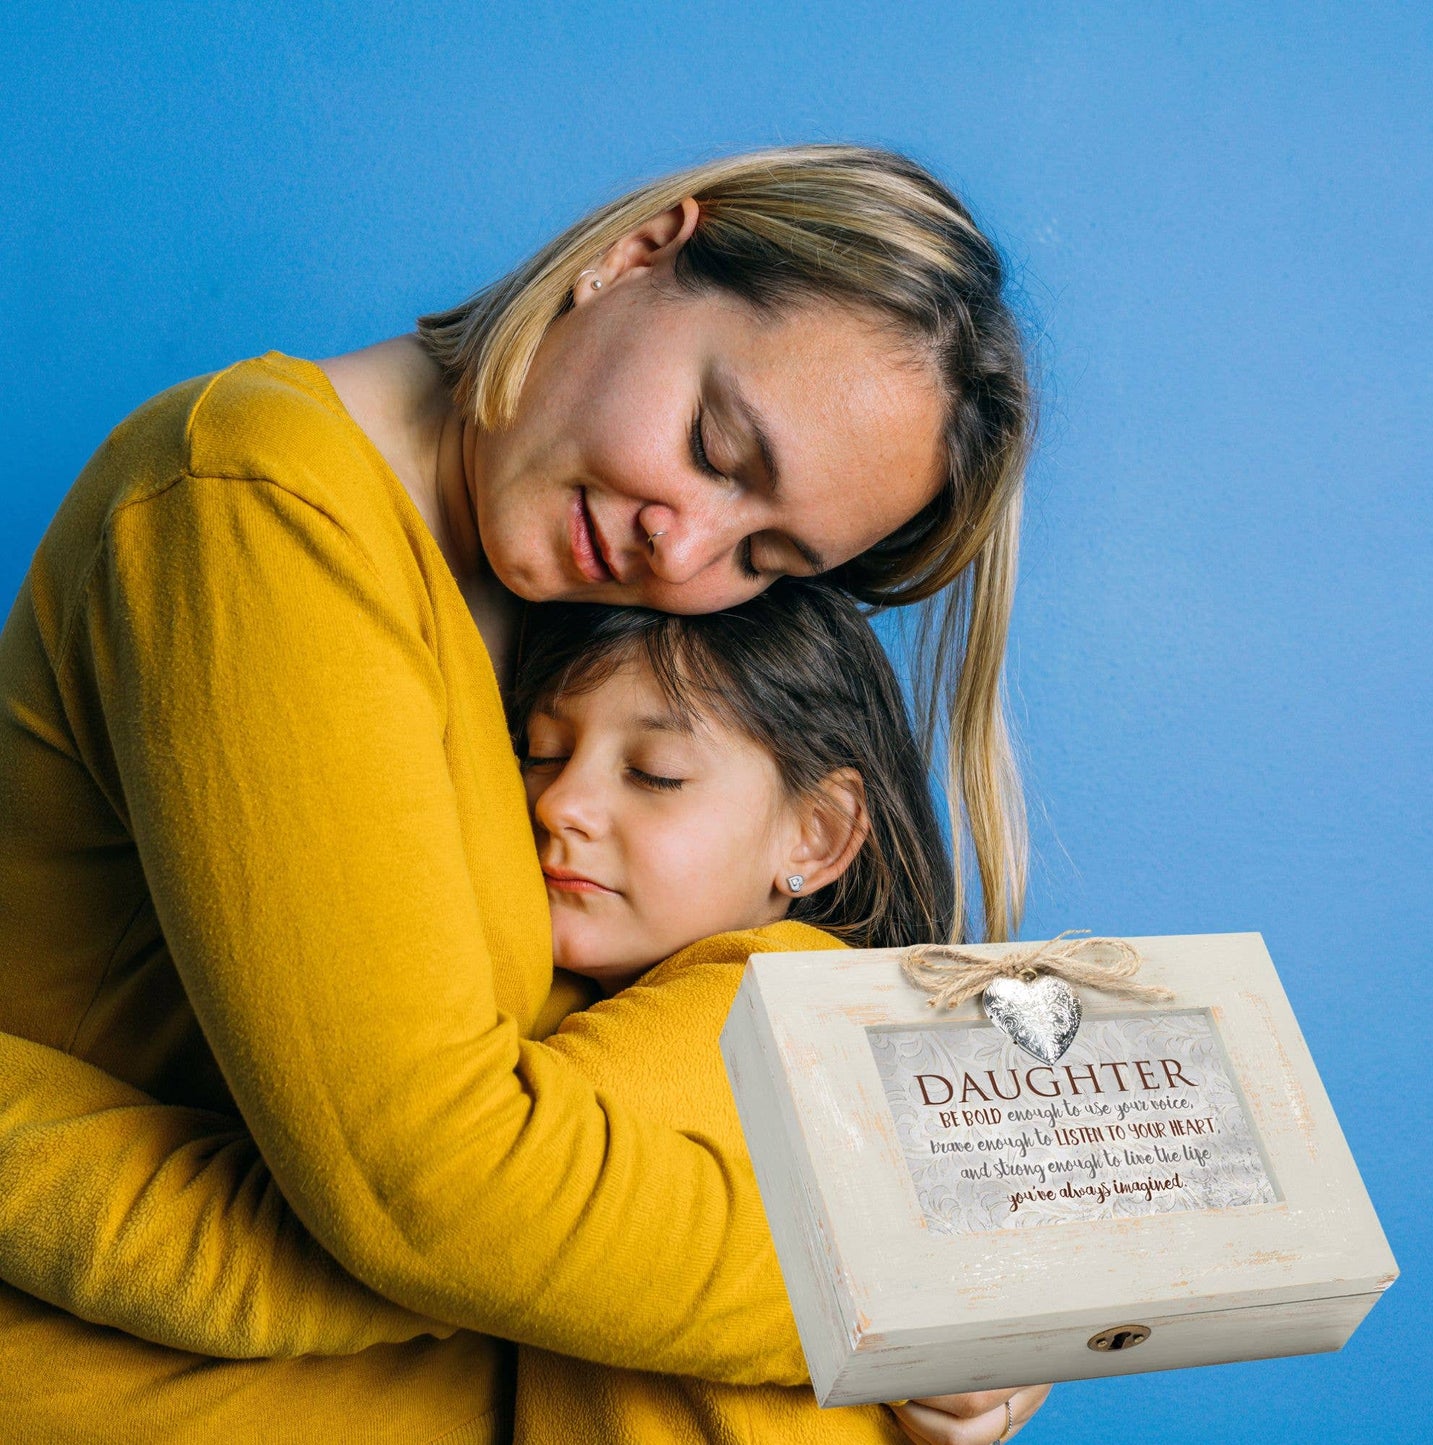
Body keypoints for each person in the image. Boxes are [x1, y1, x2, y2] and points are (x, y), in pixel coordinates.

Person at [0, 144, 1032, 1440]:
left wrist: (978, 1302)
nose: (689, 546)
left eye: (766, 555)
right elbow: (429, 1195)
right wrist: (915, 1290)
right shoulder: (263, 505)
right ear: (637, 253)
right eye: (716, 445)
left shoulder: (552, 604)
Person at [1, 582, 1053, 1444]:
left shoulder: (759, 992)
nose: (559, 803)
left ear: (815, 837)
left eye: (654, 771)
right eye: (537, 750)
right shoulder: (659, 1013)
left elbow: (351, 1243)